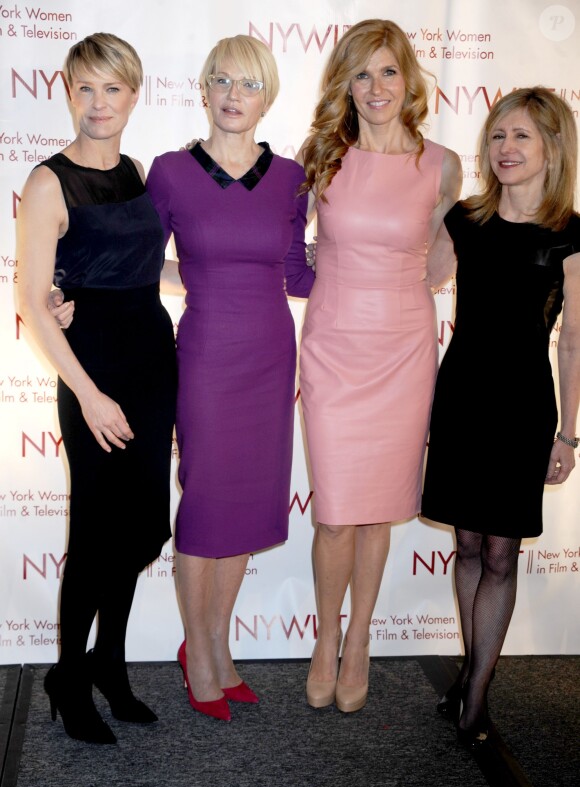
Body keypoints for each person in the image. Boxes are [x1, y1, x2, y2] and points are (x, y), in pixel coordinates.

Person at [146, 34, 314, 721]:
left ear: (267, 95)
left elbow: (298, 273)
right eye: (222, 81)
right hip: (208, 353)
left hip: (273, 354)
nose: (233, 95)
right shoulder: (169, 171)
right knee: (209, 500)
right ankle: (200, 649)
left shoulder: (291, 177)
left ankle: (214, 643)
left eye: (248, 84)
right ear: (204, 90)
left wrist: (382, 266)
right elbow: (142, 262)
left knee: (245, 505)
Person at [297, 19, 462, 713]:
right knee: (335, 513)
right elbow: (293, 251)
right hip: (333, 347)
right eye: (361, 73)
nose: (375, 87)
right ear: (346, 82)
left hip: (401, 348)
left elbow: (444, 262)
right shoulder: (321, 158)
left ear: (409, 80)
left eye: (388, 71)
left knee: (376, 515)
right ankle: (325, 639)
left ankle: (360, 638)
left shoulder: (443, 164)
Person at [17, 33, 177, 744]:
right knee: (95, 534)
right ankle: (67, 675)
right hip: (94, 373)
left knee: (140, 524)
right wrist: (86, 391)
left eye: (112, 88)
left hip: (150, 360)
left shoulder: (137, 171)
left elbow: (142, 267)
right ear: (69, 91)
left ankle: (109, 663)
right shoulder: (48, 181)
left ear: (133, 95)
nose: (99, 103)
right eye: (86, 88)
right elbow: (29, 300)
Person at [421, 87, 580, 747]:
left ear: (551, 148)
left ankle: (477, 692)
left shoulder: (571, 232)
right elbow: (412, 283)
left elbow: (573, 340)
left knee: (500, 552)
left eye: (521, 137)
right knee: (464, 544)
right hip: (461, 396)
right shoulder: (463, 219)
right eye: (497, 136)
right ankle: (469, 668)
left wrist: (569, 431)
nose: (506, 149)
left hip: (521, 405)